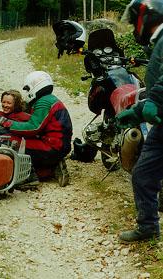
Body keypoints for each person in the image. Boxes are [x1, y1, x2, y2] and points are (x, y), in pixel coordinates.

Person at [114, 0, 163, 242]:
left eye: (135, 22)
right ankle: (148, 227)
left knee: (144, 173)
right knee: (143, 173)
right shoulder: (158, 43)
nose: (135, 28)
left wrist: (153, 100)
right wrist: (138, 110)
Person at [0, 71, 73, 187]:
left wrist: (6, 123)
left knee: (11, 141)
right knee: (22, 141)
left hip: (54, 146)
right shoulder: (49, 99)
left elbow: (33, 127)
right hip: (56, 144)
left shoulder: (44, 102)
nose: (27, 92)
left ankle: (30, 178)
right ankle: (51, 168)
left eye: (28, 89)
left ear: (35, 85)